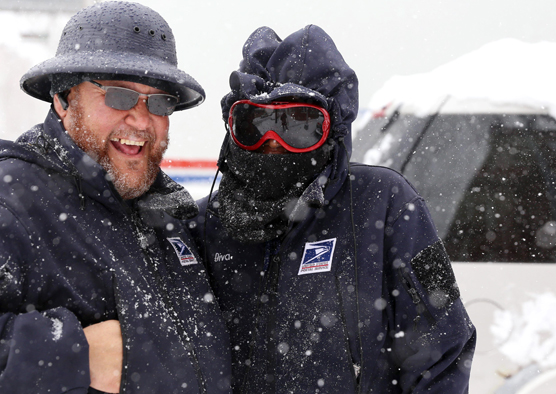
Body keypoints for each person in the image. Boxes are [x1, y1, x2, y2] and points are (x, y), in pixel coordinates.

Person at [0, 2, 231, 394]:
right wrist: (75, 353)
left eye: (159, 102)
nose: (140, 119)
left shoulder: (164, 209)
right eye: (119, 97)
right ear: (64, 99)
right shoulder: (5, 199)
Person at [189, 25, 476, 393]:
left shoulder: (385, 203)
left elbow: (443, 350)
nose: (273, 143)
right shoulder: (201, 226)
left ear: (332, 129)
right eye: (255, 124)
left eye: (298, 125)